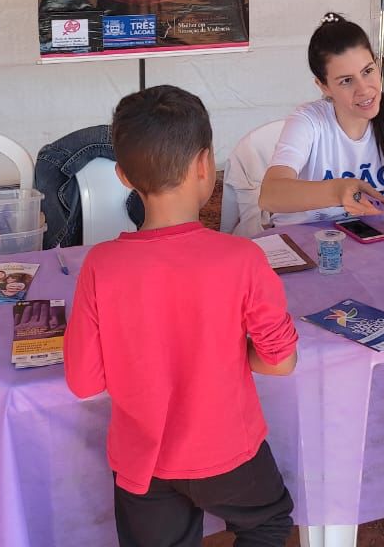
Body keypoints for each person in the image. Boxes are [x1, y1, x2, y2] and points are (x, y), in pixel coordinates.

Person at [65, 85, 298, 547]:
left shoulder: (100, 266)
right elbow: (280, 362)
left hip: (142, 464)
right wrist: (233, 350)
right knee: (269, 522)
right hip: (229, 453)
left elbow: (84, 383)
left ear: (123, 177)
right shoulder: (242, 258)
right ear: (205, 164)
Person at [259, 13, 384, 226]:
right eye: (346, 81)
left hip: (371, 237)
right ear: (323, 86)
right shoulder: (308, 121)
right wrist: (338, 191)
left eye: (368, 71)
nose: (364, 89)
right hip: (304, 237)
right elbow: (270, 195)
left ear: (378, 65)